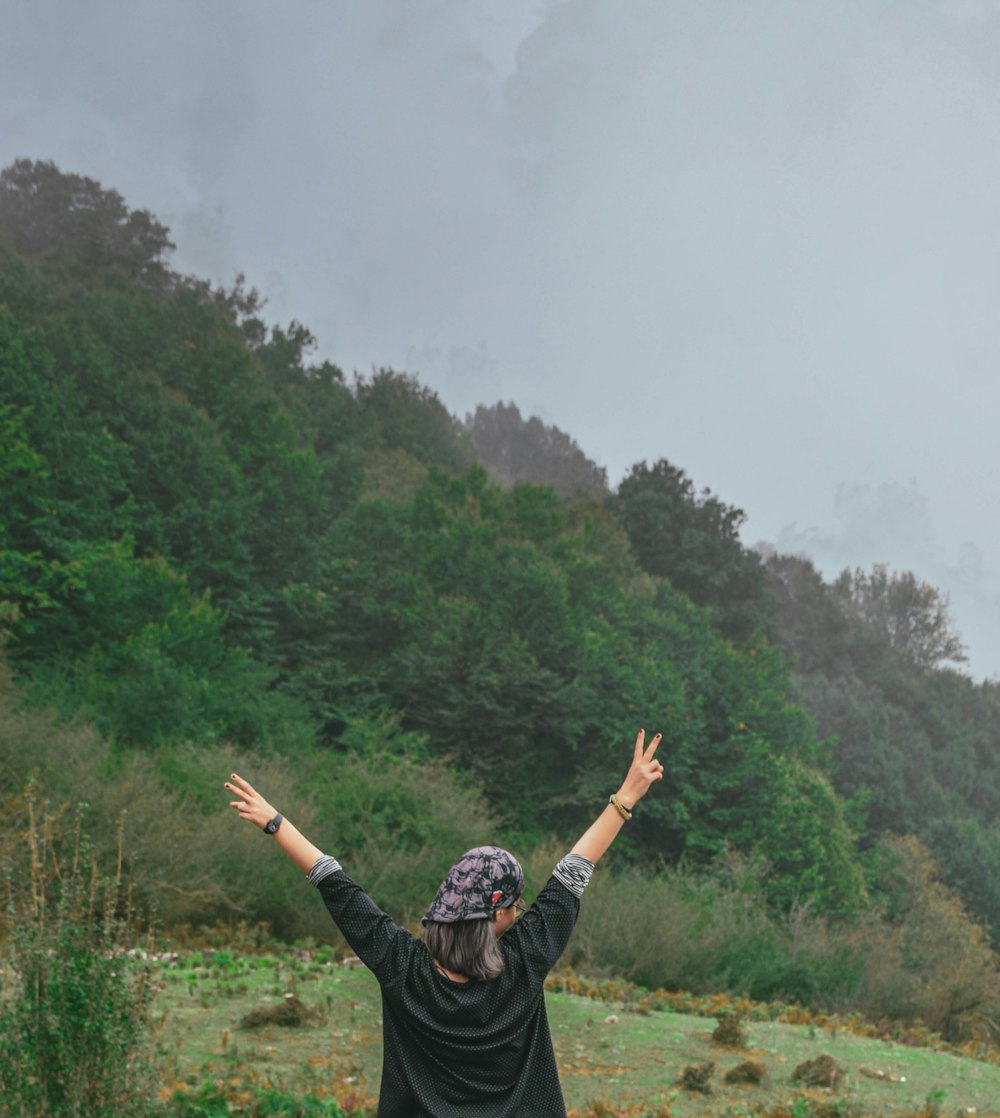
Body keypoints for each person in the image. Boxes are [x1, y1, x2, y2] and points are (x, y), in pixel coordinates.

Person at [224, 729, 664, 1118]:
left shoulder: (402, 967)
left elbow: (335, 884)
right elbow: (574, 871)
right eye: (515, 903)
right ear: (495, 914)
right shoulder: (524, 962)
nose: (522, 910)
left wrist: (276, 824)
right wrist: (625, 798)